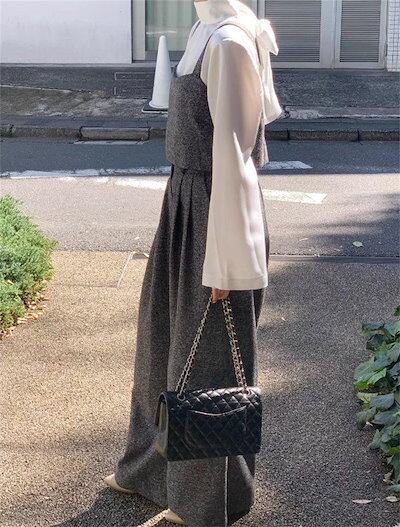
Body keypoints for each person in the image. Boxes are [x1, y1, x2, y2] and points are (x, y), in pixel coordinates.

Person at [104, 1, 282, 525]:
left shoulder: (229, 42)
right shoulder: (207, 30)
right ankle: (149, 472)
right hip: (184, 201)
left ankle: (206, 502)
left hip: (215, 211)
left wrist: (226, 262)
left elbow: (236, 157)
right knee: (160, 338)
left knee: (209, 364)